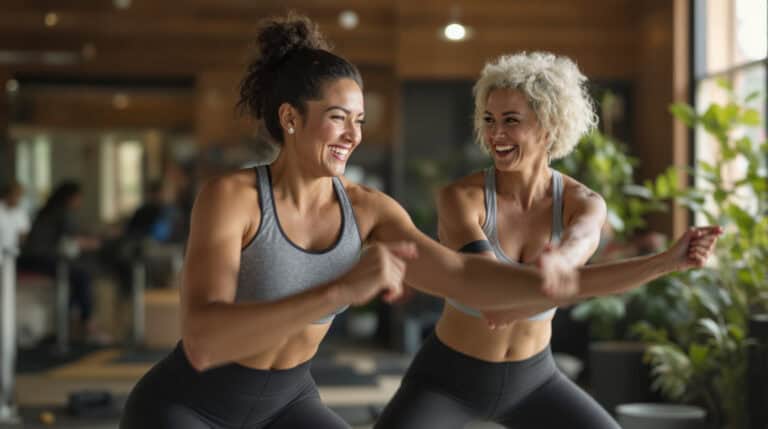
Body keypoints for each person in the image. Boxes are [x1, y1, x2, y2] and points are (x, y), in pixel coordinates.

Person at [120, 17, 719, 429]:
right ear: (291, 119)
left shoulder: (372, 211)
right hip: (188, 406)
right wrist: (340, 290)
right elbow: (203, 340)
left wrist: (598, 269)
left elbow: (468, 279)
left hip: (286, 404)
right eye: (337, 117)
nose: (354, 134)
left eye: (359, 119)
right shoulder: (232, 197)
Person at [374, 52, 721, 429]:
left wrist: (568, 262)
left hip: (534, 380)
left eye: (511, 121)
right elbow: (492, 298)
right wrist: (558, 282)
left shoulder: (583, 202)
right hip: (448, 378)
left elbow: (581, 241)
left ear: (549, 127)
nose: (496, 135)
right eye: (489, 120)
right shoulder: (462, 198)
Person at [18, 181, 104, 342]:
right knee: (83, 275)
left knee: (78, 276)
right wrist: (92, 242)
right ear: (71, 198)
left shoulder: (47, 211)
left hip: (34, 259)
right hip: (40, 260)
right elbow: (68, 243)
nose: (80, 202)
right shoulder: (61, 213)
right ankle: (86, 325)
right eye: (79, 198)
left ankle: (71, 325)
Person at [0, 179, 31, 253]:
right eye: (16, 195)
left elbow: (24, 234)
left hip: (13, 255)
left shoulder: (21, 212)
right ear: (7, 194)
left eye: (20, 196)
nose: (18, 199)